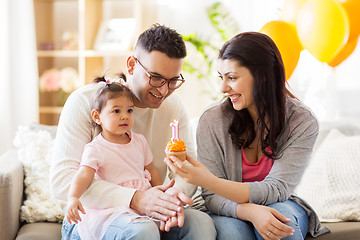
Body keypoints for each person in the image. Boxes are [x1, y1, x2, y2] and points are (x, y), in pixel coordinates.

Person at [51, 24, 216, 240]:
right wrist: (135, 199)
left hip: (147, 213)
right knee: (143, 231)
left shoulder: (173, 105)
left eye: (173, 81)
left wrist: (172, 199)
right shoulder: (84, 101)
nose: (163, 90)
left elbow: (187, 168)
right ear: (131, 65)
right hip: (92, 218)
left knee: (202, 224)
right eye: (156, 78)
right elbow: (62, 182)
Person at [164, 32, 330, 240]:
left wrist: (207, 180)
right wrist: (250, 211)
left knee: (279, 225)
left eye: (232, 78)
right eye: (221, 78)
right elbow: (212, 197)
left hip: (280, 202)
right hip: (227, 208)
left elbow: (277, 189)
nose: (223, 88)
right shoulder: (212, 120)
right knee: (233, 234)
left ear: (263, 76)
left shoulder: (302, 122)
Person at [65, 78, 165, 240]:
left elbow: (152, 171)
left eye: (129, 111)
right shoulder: (96, 148)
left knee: (159, 228)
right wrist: (73, 197)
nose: (124, 116)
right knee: (142, 229)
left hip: (141, 201)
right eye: (117, 111)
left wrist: (163, 197)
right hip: (113, 208)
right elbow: (83, 175)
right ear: (97, 116)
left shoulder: (139, 141)